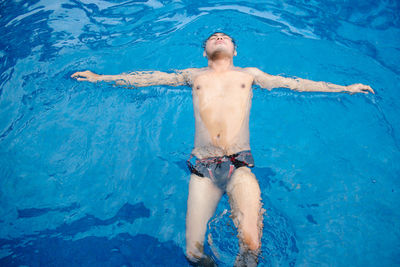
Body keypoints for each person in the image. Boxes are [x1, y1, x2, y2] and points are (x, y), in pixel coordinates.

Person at [71, 32, 374, 266]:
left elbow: (293, 84)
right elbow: (151, 78)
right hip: (202, 169)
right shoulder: (194, 75)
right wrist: (102, 78)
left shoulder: (249, 75)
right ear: (205, 52)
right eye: (213, 38)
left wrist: (343, 88)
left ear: (234, 51)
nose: (219, 37)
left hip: (239, 165)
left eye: (225, 37)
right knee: (192, 252)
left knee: (251, 244)